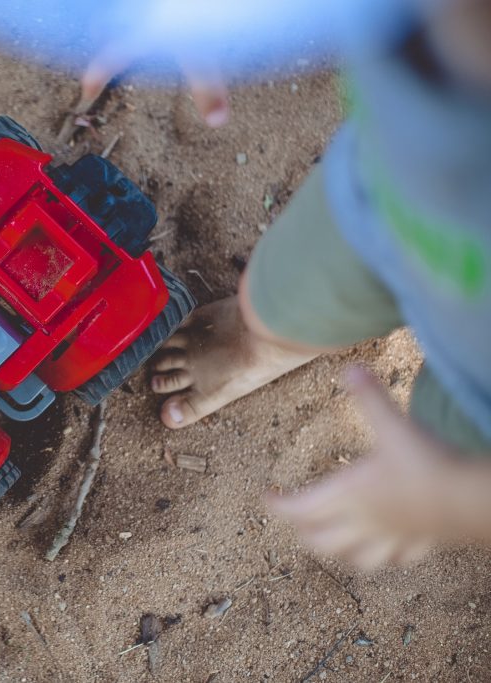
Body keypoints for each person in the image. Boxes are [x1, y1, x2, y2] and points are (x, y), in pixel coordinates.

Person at [141, 0, 491, 569]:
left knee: (447, 441)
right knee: (283, 301)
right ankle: (268, 345)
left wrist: (454, 500)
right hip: (384, 191)